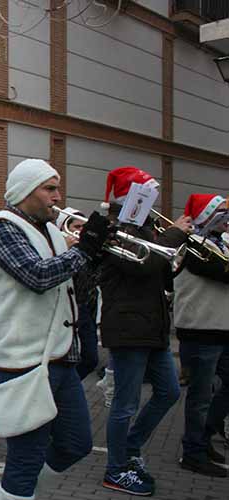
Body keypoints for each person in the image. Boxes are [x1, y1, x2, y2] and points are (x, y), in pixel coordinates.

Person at [0, 159, 113, 500]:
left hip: (59, 355)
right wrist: (83, 249)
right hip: (23, 359)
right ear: (26, 191)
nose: (58, 196)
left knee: (77, 443)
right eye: (49, 188)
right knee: (26, 457)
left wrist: (95, 258)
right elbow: (37, 276)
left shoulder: (53, 231)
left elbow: (74, 290)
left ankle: (16, 494)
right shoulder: (2, 225)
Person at [98, 167, 190, 495]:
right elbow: (144, 263)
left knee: (169, 391)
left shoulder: (145, 227)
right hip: (127, 327)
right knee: (125, 404)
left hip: (152, 326)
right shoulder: (113, 230)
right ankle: (116, 468)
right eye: (148, 193)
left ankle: (132, 448)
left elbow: (157, 271)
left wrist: (173, 258)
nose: (155, 200)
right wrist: (176, 233)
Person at [174, 194, 229, 477]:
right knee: (201, 395)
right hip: (199, 329)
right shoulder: (193, 245)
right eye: (220, 212)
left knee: (222, 389)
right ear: (206, 215)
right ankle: (193, 452)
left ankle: (204, 436)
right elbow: (220, 272)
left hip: (222, 329)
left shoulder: (222, 243)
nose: (226, 217)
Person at [55, 208, 100, 380]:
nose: (80, 230)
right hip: (68, 310)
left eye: (84, 227)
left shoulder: (86, 249)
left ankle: (66, 388)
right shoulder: (61, 247)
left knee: (90, 359)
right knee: (80, 358)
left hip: (86, 308)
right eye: (77, 226)